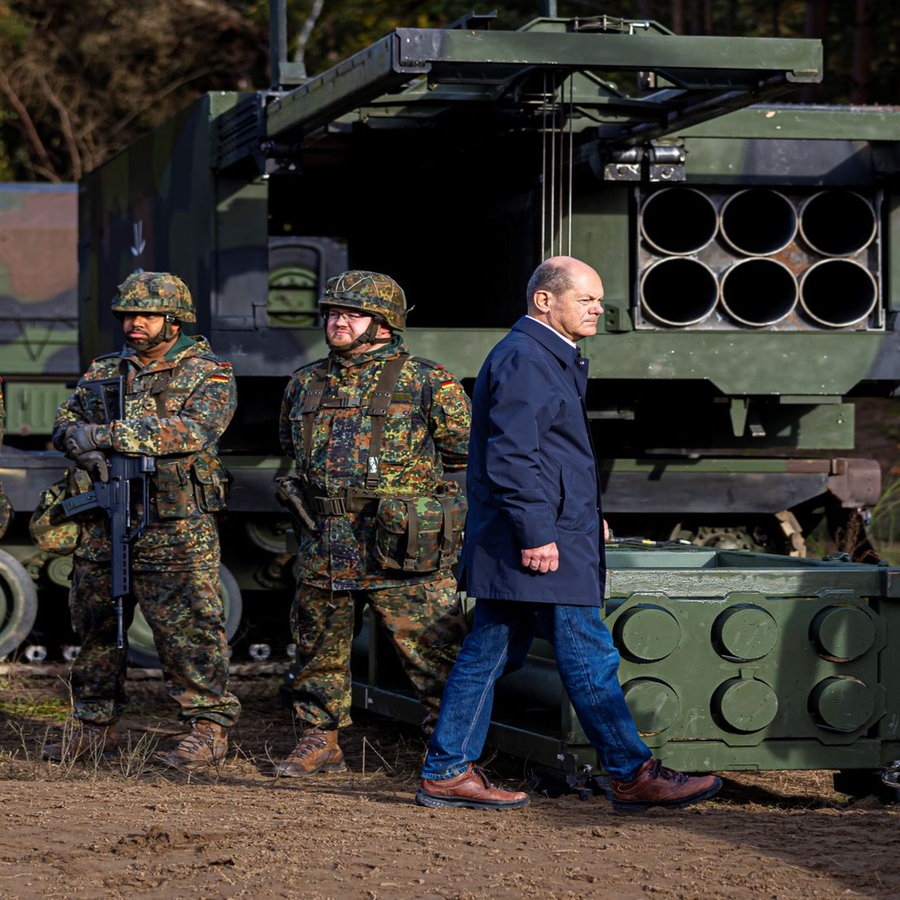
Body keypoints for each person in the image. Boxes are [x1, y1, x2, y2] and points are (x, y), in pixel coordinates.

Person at [416, 256, 723, 811]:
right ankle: (632, 773)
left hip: (542, 538)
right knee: (588, 654)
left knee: (487, 655)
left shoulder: (541, 356)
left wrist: (583, 514)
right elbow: (513, 457)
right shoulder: (528, 359)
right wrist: (538, 532)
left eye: (598, 300)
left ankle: (447, 770)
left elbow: (550, 456)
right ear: (544, 301)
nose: (597, 309)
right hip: (535, 547)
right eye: (586, 299)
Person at [274, 269, 470, 777]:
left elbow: (465, 452)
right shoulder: (304, 383)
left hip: (402, 544)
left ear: (384, 324)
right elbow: (293, 453)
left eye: (352, 313)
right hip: (327, 541)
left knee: (433, 650)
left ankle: (447, 752)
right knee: (318, 648)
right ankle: (321, 740)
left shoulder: (429, 381)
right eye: (333, 313)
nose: (339, 322)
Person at [42, 271, 241, 770]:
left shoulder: (208, 372)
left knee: (190, 630)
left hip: (173, 526)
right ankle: (93, 725)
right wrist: (79, 442)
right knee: (95, 628)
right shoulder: (104, 369)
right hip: (104, 517)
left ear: (174, 321)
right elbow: (65, 423)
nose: (135, 324)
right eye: (129, 315)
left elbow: (192, 430)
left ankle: (207, 727)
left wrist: (103, 435)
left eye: (147, 316)